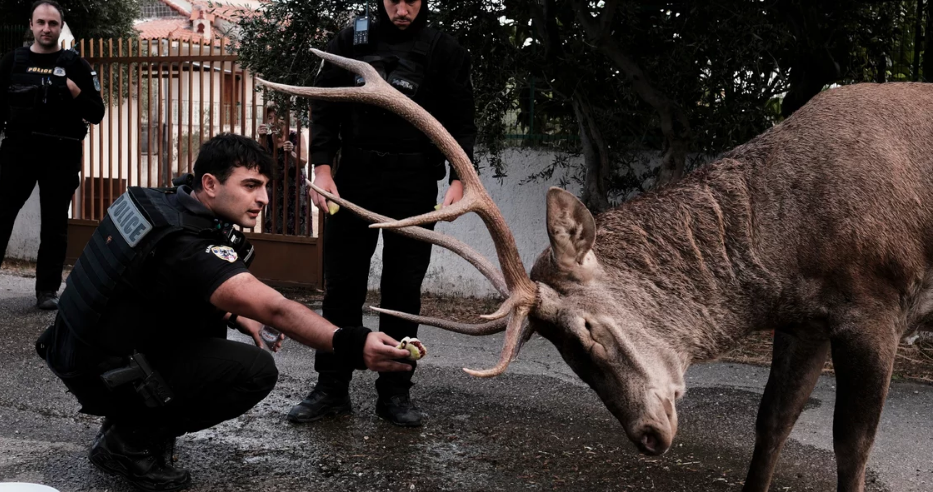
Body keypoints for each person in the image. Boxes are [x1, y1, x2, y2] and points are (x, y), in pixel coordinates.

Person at [35, 133, 414, 492]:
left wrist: (235, 315)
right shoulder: (187, 245)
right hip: (102, 371)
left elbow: (158, 293)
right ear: (211, 183)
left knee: (213, 331)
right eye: (250, 186)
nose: (264, 198)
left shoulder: (160, 203)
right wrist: (352, 343)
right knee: (254, 372)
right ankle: (128, 442)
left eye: (266, 186)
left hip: (77, 350)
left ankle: (127, 422)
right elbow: (277, 309)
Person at [289, 0, 476, 428]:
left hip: (413, 183)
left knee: (403, 293)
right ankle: (332, 388)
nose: (402, 8)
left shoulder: (445, 50)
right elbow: (324, 105)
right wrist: (321, 168)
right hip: (353, 178)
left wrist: (460, 180)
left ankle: (395, 393)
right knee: (342, 287)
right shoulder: (352, 39)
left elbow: (461, 122)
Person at [0, 0, 105, 310]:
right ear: (31, 26)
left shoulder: (78, 66)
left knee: (55, 225)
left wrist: (74, 91)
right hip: (18, 152)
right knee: (2, 215)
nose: (46, 28)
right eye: (41, 22)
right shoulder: (11, 62)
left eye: (53, 23)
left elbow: (96, 113)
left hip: (61, 153)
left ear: (60, 27)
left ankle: (47, 290)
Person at [257, 104, 309, 235]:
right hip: (275, 186)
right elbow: (258, 160)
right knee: (275, 222)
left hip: (296, 187)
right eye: (270, 118)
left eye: (277, 118)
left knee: (297, 222)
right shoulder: (267, 138)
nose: (273, 121)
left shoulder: (297, 136)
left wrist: (291, 153)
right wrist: (260, 137)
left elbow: (303, 162)